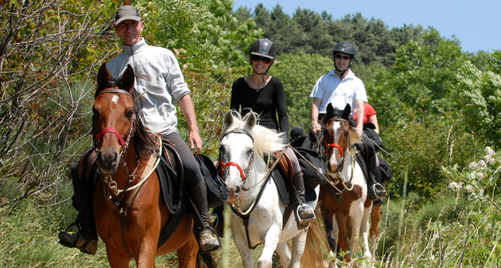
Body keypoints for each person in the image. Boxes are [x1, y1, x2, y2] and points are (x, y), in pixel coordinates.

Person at [59, 5, 220, 253]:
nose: (129, 28)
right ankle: (88, 232)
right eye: (123, 25)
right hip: (124, 138)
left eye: (133, 23)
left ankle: (203, 227)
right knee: (82, 166)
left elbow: (181, 92)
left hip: (162, 131)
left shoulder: (163, 55)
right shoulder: (112, 66)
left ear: (141, 25)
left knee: (189, 166)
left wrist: (193, 129)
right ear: (116, 29)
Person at [228, 38, 316, 228]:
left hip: (270, 136)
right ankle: (219, 213)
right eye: (257, 58)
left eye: (265, 60)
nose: (260, 63)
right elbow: (234, 114)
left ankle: (301, 206)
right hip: (246, 135)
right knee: (224, 161)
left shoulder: (276, 84)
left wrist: (283, 138)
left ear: (271, 63)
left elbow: (282, 113)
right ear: (251, 59)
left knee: (292, 160)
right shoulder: (239, 85)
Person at [309, 41, 386, 200]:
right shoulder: (323, 79)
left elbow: (359, 105)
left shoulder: (357, 82)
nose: (341, 60)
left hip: (346, 124)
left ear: (351, 60)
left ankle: (372, 185)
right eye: (339, 57)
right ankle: (304, 192)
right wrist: (314, 122)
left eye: (345, 57)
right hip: (326, 122)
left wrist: (358, 127)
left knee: (369, 147)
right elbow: (316, 103)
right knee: (304, 148)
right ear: (334, 58)